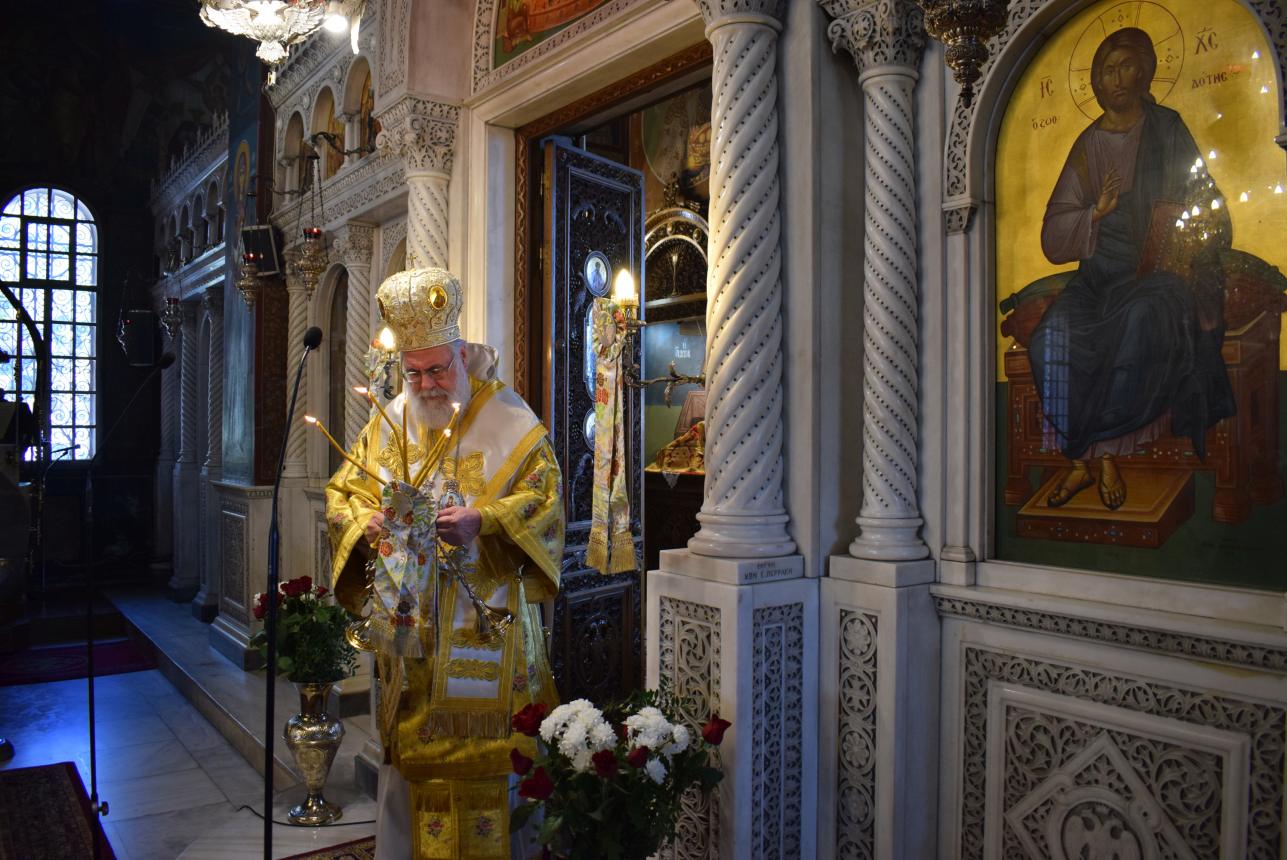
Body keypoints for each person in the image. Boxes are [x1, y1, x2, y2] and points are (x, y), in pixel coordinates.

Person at [325, 268, 565, 860]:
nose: (426, 384)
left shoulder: (508, 417)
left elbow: (545, 496)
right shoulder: (391, 420)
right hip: (412, 633)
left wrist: (484, 520)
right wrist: (367, 521)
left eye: (437, 369)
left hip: (486, 622)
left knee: (494, 759)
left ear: (461, 353)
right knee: (414, 758)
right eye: (413, 373)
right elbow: (343, 492)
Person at [1029, 26, 1234, 510]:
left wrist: (1183, 236)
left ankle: (1099, 455)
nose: (1117, 78)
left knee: (1139, 323)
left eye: (1126, 66)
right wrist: (1094, 214)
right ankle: (1083, 461)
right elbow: (1054, 234)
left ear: (1145, 72)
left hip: (1155, 275)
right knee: (1047, 339)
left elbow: (1205, 200)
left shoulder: (1167, 129)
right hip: (1098, 279)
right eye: (1107, 70)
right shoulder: (1088, 145)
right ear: (1095, 81)